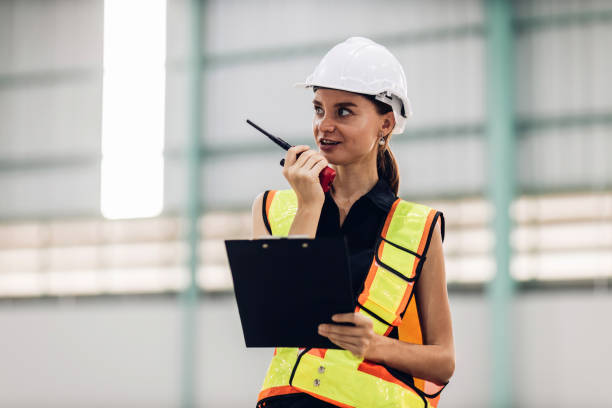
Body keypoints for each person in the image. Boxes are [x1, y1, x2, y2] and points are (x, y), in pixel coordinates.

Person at [251, 37, 454, 408]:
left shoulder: (419, 227)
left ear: (385, 124)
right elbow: (278, 318)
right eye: (318, 110)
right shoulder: (273, 208)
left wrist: (374, 346)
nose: (324, 126)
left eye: (343, 112)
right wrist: (309, 205)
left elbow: (443, 361)